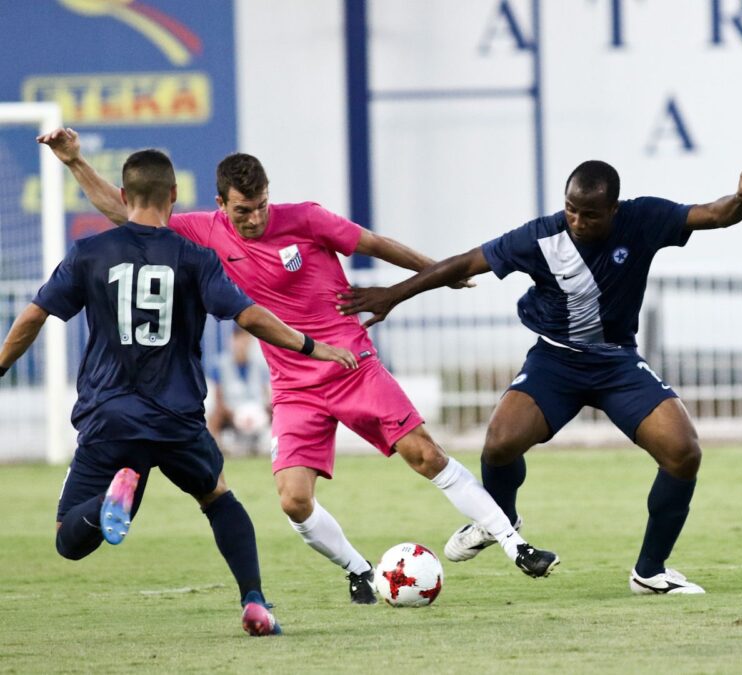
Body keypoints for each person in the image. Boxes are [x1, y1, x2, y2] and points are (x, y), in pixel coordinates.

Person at [39, 128, 558, 606]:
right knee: (292, 500)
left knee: (422, 453)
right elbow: (125, 211)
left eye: (261, 205)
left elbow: (374, 243)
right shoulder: (204, 232)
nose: (255, 217)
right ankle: (359, 571)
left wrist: (436, 272)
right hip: (293, 386)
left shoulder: (307, 218)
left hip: (352, 364)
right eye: (244, 210)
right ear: (221, 204)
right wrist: (75, 161)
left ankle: (517, 544)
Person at [337, 160, 742, 594]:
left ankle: (650, 572)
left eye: (591, 214)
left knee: (684, 452)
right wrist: (392, 295)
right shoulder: (541, 236)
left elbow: (714, 214)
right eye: (571, 209)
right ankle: (499, 519)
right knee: (500, 443)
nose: (577, 221)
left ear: (614, 209)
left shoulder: (644, 219)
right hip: (555, 362)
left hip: (616, 361)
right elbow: (466, 262)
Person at [0, 149, 360, 636]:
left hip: (110, 416)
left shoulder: (90, 253)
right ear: (174, 196)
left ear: (124, 197)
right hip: (178, 418)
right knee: (218, 499)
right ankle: (254, 600)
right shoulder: (195, 258)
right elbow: (247, 315)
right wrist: (311, 345)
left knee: (69, 537)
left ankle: (113, 494)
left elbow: (35, 314)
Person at [207, 324, 272, 456]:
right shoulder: (220, 365)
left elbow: (267, 396)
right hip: (232, 414)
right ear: (232, 340)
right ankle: (211, 449)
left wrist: (261, 414)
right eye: (238, 339)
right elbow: (218, 400)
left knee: (277, 410)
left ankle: (276, 444)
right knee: (214, 415)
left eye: (245, 339)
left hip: (257, 413)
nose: (242, 344)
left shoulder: (260, 365)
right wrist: (235, 416)